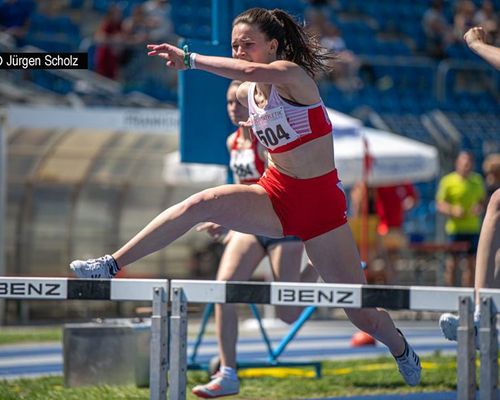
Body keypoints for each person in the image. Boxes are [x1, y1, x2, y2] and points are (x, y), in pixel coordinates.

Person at [70, 7, 421, 392]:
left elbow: (252, 72)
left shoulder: (292, 76)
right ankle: (112, 264)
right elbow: (247, 101)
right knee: (199, 203)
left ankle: (402, 348)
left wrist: (190, 59)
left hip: (321, 208)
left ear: (273, 45)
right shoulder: (242, 93)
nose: (239, 52)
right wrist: (233, 211)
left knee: (362, 315)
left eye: (247, 45)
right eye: (235, 45)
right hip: (274, 194)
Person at [192, 80, 317, 397]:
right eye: (229, 103)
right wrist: (226, 221)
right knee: (224, 291)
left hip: (281, 227)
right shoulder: (232, 141)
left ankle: (315, 266)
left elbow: (285, 179)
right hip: (250, 228)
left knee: (288, 314)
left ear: (253, 104)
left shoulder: (269, 137)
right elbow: (240, 185)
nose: (233, 108)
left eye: (238, 102)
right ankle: (228, 372)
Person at [436, 151, 486, 287]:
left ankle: (469, 295)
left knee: (472, 264)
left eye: (469, 164)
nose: (467, 167)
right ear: (457, 164)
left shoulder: (477, 180)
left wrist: (478, 208)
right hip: (455, 230)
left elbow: (482, 201)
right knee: (452, 264)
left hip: (472, 229)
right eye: (464, 164)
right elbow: (440, 204)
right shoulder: (448, 181)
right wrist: (452, 210)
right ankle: (449, 295)